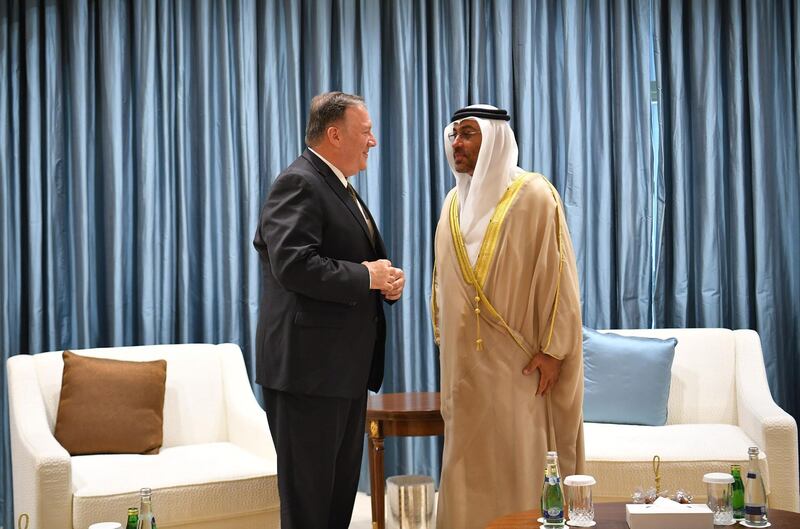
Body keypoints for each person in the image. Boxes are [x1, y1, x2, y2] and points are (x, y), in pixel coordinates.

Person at [253, 91, 405, 529]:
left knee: (337, 503)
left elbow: (346, 263)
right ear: (335, 134)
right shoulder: (299, 182)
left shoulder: (338, 185)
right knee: (309, 509)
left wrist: (383, 282)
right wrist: (366, 276)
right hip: (308, 376)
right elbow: (294, 265)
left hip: (341, 373)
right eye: (366, 131)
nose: (373, 141)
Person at [430, 105, 585, 528]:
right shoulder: (451, 204)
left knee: (520, 460)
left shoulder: (535, 195)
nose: (456, 144)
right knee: (465, 467)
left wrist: (554, 351)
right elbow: (443, 282)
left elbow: (559, 278)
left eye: (468, 134)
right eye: (454, 135)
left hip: (520, 367)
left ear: (495, 139)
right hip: (465, 370)